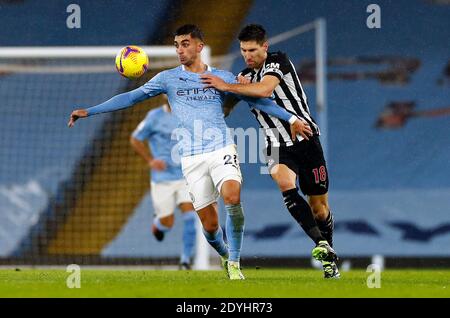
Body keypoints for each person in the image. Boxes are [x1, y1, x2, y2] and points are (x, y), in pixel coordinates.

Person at [68, 24, 332, 280]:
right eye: (176, 46)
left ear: (199, 46)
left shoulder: (223, 78)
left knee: (232, 195)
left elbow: (261, 99)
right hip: (191, 156)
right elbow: (130, 97)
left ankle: (235, 264)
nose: (179, 50)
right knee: (209, 225)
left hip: (221, 147)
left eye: (185, 44)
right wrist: (89, 111)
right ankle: (225, 254)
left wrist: (291, 119)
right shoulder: (167, 79)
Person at [201, 24, 340, 278]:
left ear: (265, 47)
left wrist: (229, 86)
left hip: (306, 139)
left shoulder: (278, 61)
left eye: (252, 50)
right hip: (275, 145)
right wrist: (207, 99)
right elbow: (225, 109)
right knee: (285, 182)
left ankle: (329, 253)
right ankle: (320, 244)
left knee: (319, 208)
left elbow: (264, 90)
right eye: (243, 50)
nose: (247, 55)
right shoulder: (243, 77)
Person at [130, 95, 196, 270]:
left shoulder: (190, 114)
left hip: (185, 176)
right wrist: (150, 160)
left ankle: (185, 260)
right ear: (163, 96)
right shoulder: (154, 117)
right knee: (168, 223)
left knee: (190, 217)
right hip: (162, 178)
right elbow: (135, 139)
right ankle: (158, 224)